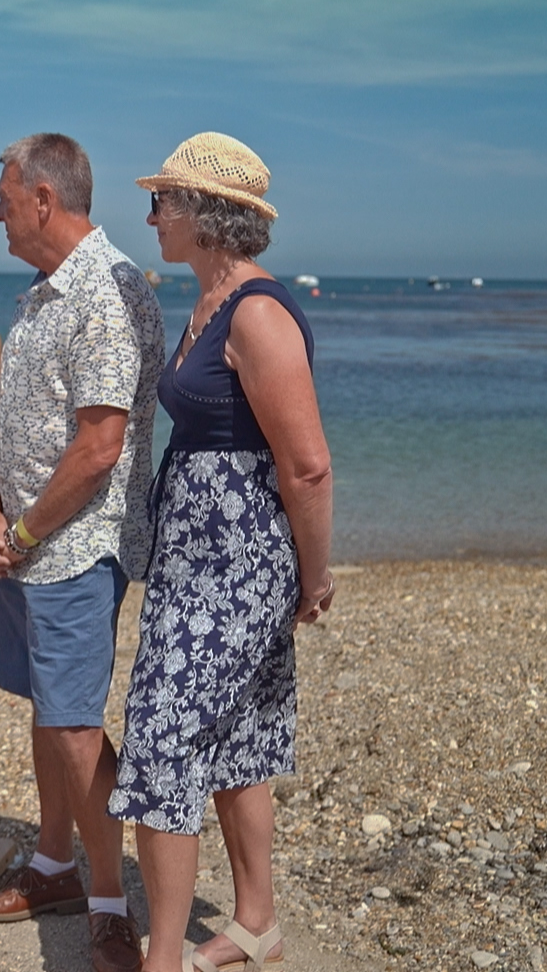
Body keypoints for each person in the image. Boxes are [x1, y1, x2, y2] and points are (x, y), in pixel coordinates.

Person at [106, 133, 334, 972]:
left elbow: (307, 467)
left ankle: (162, 958)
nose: (151, 216)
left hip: (238, 566)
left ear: (206, 215)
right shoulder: (211, 301)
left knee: (162, 741)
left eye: (162, 201)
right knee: (237, 735)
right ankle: (256, 922)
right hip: (196, 559)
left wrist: (314, 576)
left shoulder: (258, 313)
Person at [0, 133, 166, 972]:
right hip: (29, 548)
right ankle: (54, 865)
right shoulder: (44, 293)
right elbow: (12, 415)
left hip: (74, 548)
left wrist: (20, 532)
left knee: (77, 724)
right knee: (49, 710)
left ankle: (110, 901)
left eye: (6, 199)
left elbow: (98, 448)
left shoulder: (107, 292)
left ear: (44, 199)